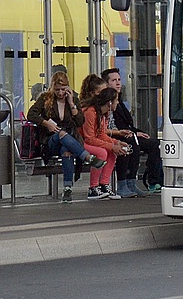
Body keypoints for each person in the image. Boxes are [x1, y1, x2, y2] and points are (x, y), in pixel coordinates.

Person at [25, 72, 106, 203]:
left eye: (63, 89)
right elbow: (31, 114)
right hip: (50, 140)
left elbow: (80, 122)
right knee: (61, 134)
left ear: (68, 87)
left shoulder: (73, 98)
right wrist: (46, 123)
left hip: (70, 140)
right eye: (57, 90)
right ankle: (87, 157)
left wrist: (71, 103)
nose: (60, 93)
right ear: (52, 87)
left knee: (66, 150)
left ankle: (67, 189)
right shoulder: (45, 98)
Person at [103, 67, 162, 195]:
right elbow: (112, 125)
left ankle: (153, 181)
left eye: (119, 79)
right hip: (117, 135)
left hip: (127, 133)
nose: (118, 83)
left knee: (155, 144)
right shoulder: (106, 103)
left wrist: (136, 132)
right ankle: (124, 183)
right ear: (106, 84)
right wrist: (131, 133)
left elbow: (127, 123)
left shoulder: (120, 100)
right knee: (130, 144)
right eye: (114, 80)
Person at [81, 87, 129, 200]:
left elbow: (101, 134)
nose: (118, 103)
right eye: (116, 100)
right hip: (80, 142)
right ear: (110, 102)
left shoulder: (102, 114)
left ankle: (104, 184)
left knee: (112, 152)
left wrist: (117, 143)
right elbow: (89, 138)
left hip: (90, 141)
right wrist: (111, 146)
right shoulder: (90, 112)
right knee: (101, 153)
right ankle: (93, 187)